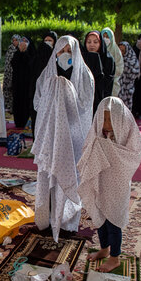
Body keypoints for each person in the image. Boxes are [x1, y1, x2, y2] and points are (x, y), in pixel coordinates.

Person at [31, 35, 94, 241]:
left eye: (69, 50)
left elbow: (84, 107)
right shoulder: (47, 75)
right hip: (50, 136)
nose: (65, 53)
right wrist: (54, 94)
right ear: (55, 53)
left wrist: (65, 92)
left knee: (69, 177)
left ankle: (67, 222)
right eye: (61, 50)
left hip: (73, 138)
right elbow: (38, 103)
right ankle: (47, 219)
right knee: (48, 175)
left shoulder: (85, 76)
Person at [77, 96, 141, 272]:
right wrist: (100, 147)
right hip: (101, 180)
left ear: (120, 119)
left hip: (117, 184)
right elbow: (88, 149)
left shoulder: (127, 133)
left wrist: (109, 150)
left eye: (111, 118)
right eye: (104, 118)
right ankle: (104, 249)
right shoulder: (97, 135)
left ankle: (115, 257)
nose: (107, 123)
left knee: (113, 220)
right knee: (100, 217)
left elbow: (133, 154)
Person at [30, 31, 58, 134]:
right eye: (45, 40)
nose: (47, 43)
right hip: (36, 92)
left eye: (50, 41)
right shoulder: (37, 56)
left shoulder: (57, 57)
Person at [82, 31, 115, 114]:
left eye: (95, 42)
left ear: (100, 43)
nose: (92, 45)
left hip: (101, 97)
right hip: (84, 99)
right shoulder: (82, 58)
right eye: (89, 42)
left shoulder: (108, 59)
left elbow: (108, 81)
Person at [10, 36, 36, 128]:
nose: (23, 43)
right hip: (17, 83)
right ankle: (18, 122)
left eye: (26, 41)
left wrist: (25, 52)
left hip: (28, 83)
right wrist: (20, 52)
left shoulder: (32, 53)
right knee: (17, 102)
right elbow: (14, 64)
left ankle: (26, 123)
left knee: (26, 103)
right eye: (22, 41)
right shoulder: (16, 53)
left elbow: (30, 64)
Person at [117, 41, 140, 110]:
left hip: (128, 88)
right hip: (118, 87)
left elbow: (135, 73)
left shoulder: (132, 59)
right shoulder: (116, 59)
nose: (121, 52)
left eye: (123, 50)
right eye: (119, 50)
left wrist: (125, 66)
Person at [101, 28, 124, 97]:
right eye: (103, 36)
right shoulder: (98, 50)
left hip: (113, 83)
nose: (105, 39)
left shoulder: (116, 51)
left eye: (107, 37)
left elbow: (119, 66)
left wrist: (110, 75)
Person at [2, 34, 21, 113]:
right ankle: (8, 106)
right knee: (8, 89)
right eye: (13, 40)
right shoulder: (10, 49)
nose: (15, 42)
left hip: (15, 72)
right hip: (8, 72)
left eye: (16, 40)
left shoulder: (20, 49)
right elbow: (8, 61)